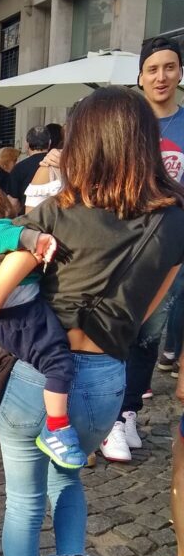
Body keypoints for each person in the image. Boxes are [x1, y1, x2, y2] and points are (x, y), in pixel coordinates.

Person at [0, 87, 184, 556]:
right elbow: (147, 315)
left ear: (84, 145)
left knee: (24, 500)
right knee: (70, 480)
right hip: (107, 381)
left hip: (39, 375)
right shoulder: (174, 222)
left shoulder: (54, 216)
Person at [0, 181, 86, 468]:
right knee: (58, 363)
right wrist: (35, 240)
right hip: (23, 316)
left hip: (5, 323)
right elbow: (11, 235)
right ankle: (57, 427)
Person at [98, 37, 184, 461]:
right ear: (140, 77)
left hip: (170, 245)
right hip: (124, 242)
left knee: (151, 332)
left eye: (169, 67)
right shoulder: (127, 125)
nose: (161, 76)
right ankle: (109, 418)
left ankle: (127, 412)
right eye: (153, 69)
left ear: (180, 73)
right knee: (120, 328)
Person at [6, 127, 51, 213]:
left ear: (27, 144)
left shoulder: (19, 168)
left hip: (28, 219)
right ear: (49, 143)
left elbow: (13, 203)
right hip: (56, 219)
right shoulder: (59, 165)